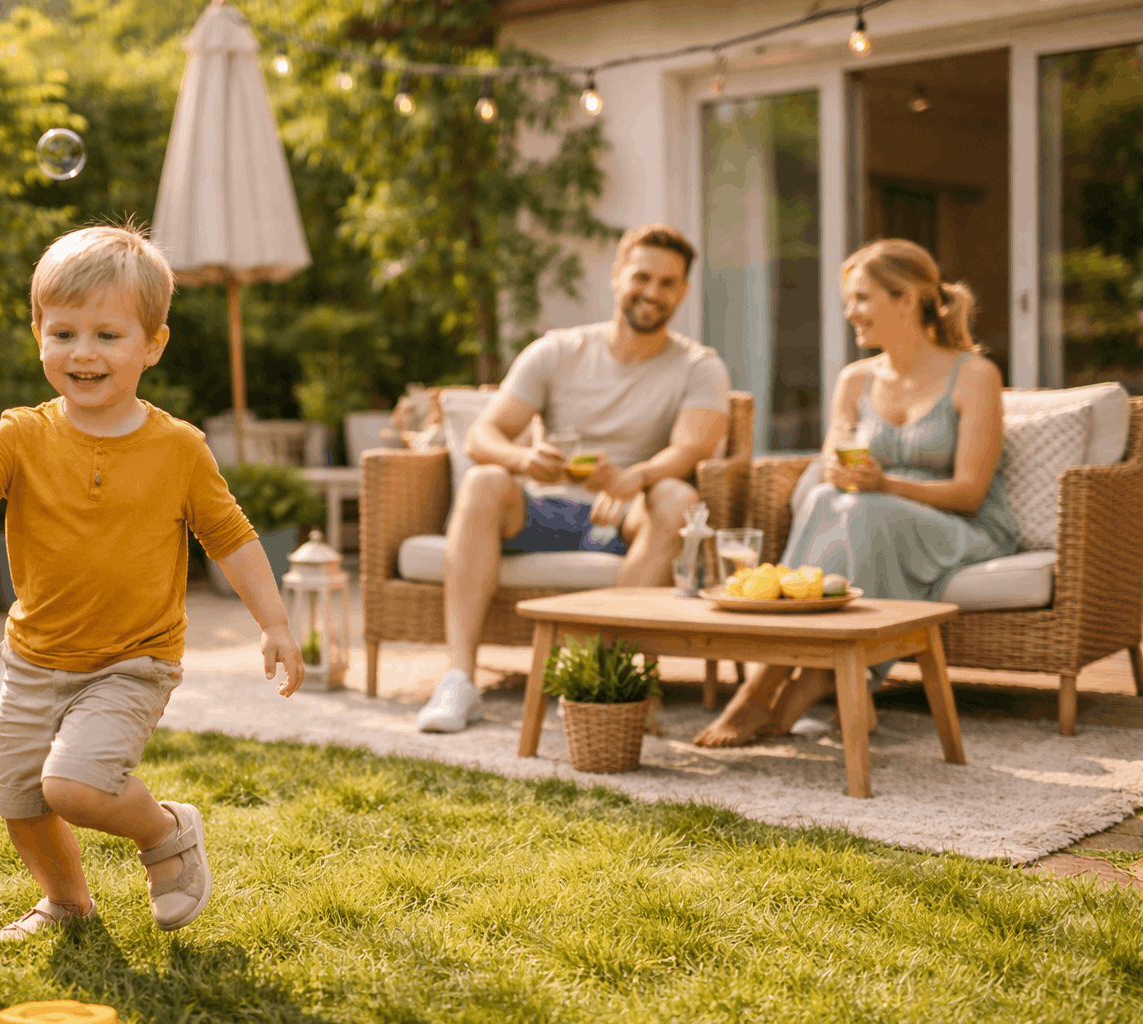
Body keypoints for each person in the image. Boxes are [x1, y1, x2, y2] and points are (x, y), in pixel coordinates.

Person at [0, 224, 305, 939]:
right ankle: (67, 901)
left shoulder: (178, 447)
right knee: (21, 801)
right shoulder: (21, 436)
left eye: (107, 334)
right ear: (37, 334)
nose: (83, 352)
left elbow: (233, 537)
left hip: (132, 660)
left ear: (152, 344)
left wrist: (275, 624)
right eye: (63, 332)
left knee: (73, 786)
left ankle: (166, 833)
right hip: (36, 655)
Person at [694, 238, 1019, 748]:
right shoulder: (854, 380)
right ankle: (820, 679)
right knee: (832, 501)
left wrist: (884, 483)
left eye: (862, 299)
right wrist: (841, 475)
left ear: (907, 299)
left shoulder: (974, 375)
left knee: (864, 511)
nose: (850, 313)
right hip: (869, 516)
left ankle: (769, 685)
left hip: (964, 528)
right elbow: (830, 470)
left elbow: (970, 494)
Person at [416, 224, 732, 733]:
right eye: (642, 277)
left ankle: (605, 672)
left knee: (678, 498)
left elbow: (694, 446)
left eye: (668, 283)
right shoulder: (558, 351)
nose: (653, 292)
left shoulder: (699, 366)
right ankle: (459, 680)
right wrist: (524, 460)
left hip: (625, 512)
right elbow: (483, 434)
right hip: (540, 509)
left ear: (684, 291)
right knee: (483, 481)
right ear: (616, 276)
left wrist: (635, 477)